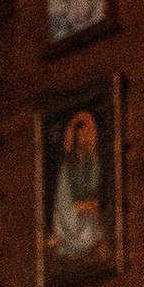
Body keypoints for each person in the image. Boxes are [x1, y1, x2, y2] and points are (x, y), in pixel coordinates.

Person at [49, 107, 106, 266]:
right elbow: (66, 200)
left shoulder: (93, 160)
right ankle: (69, 238)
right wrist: (82, 206)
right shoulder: (68, 166)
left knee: (92, 233)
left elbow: (95, 188)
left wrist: (91, 204)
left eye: (89, 133)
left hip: (88, 212)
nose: (86, 138)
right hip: (69, 215)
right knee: (84, 234)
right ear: (75, 137)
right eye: (82, 134)